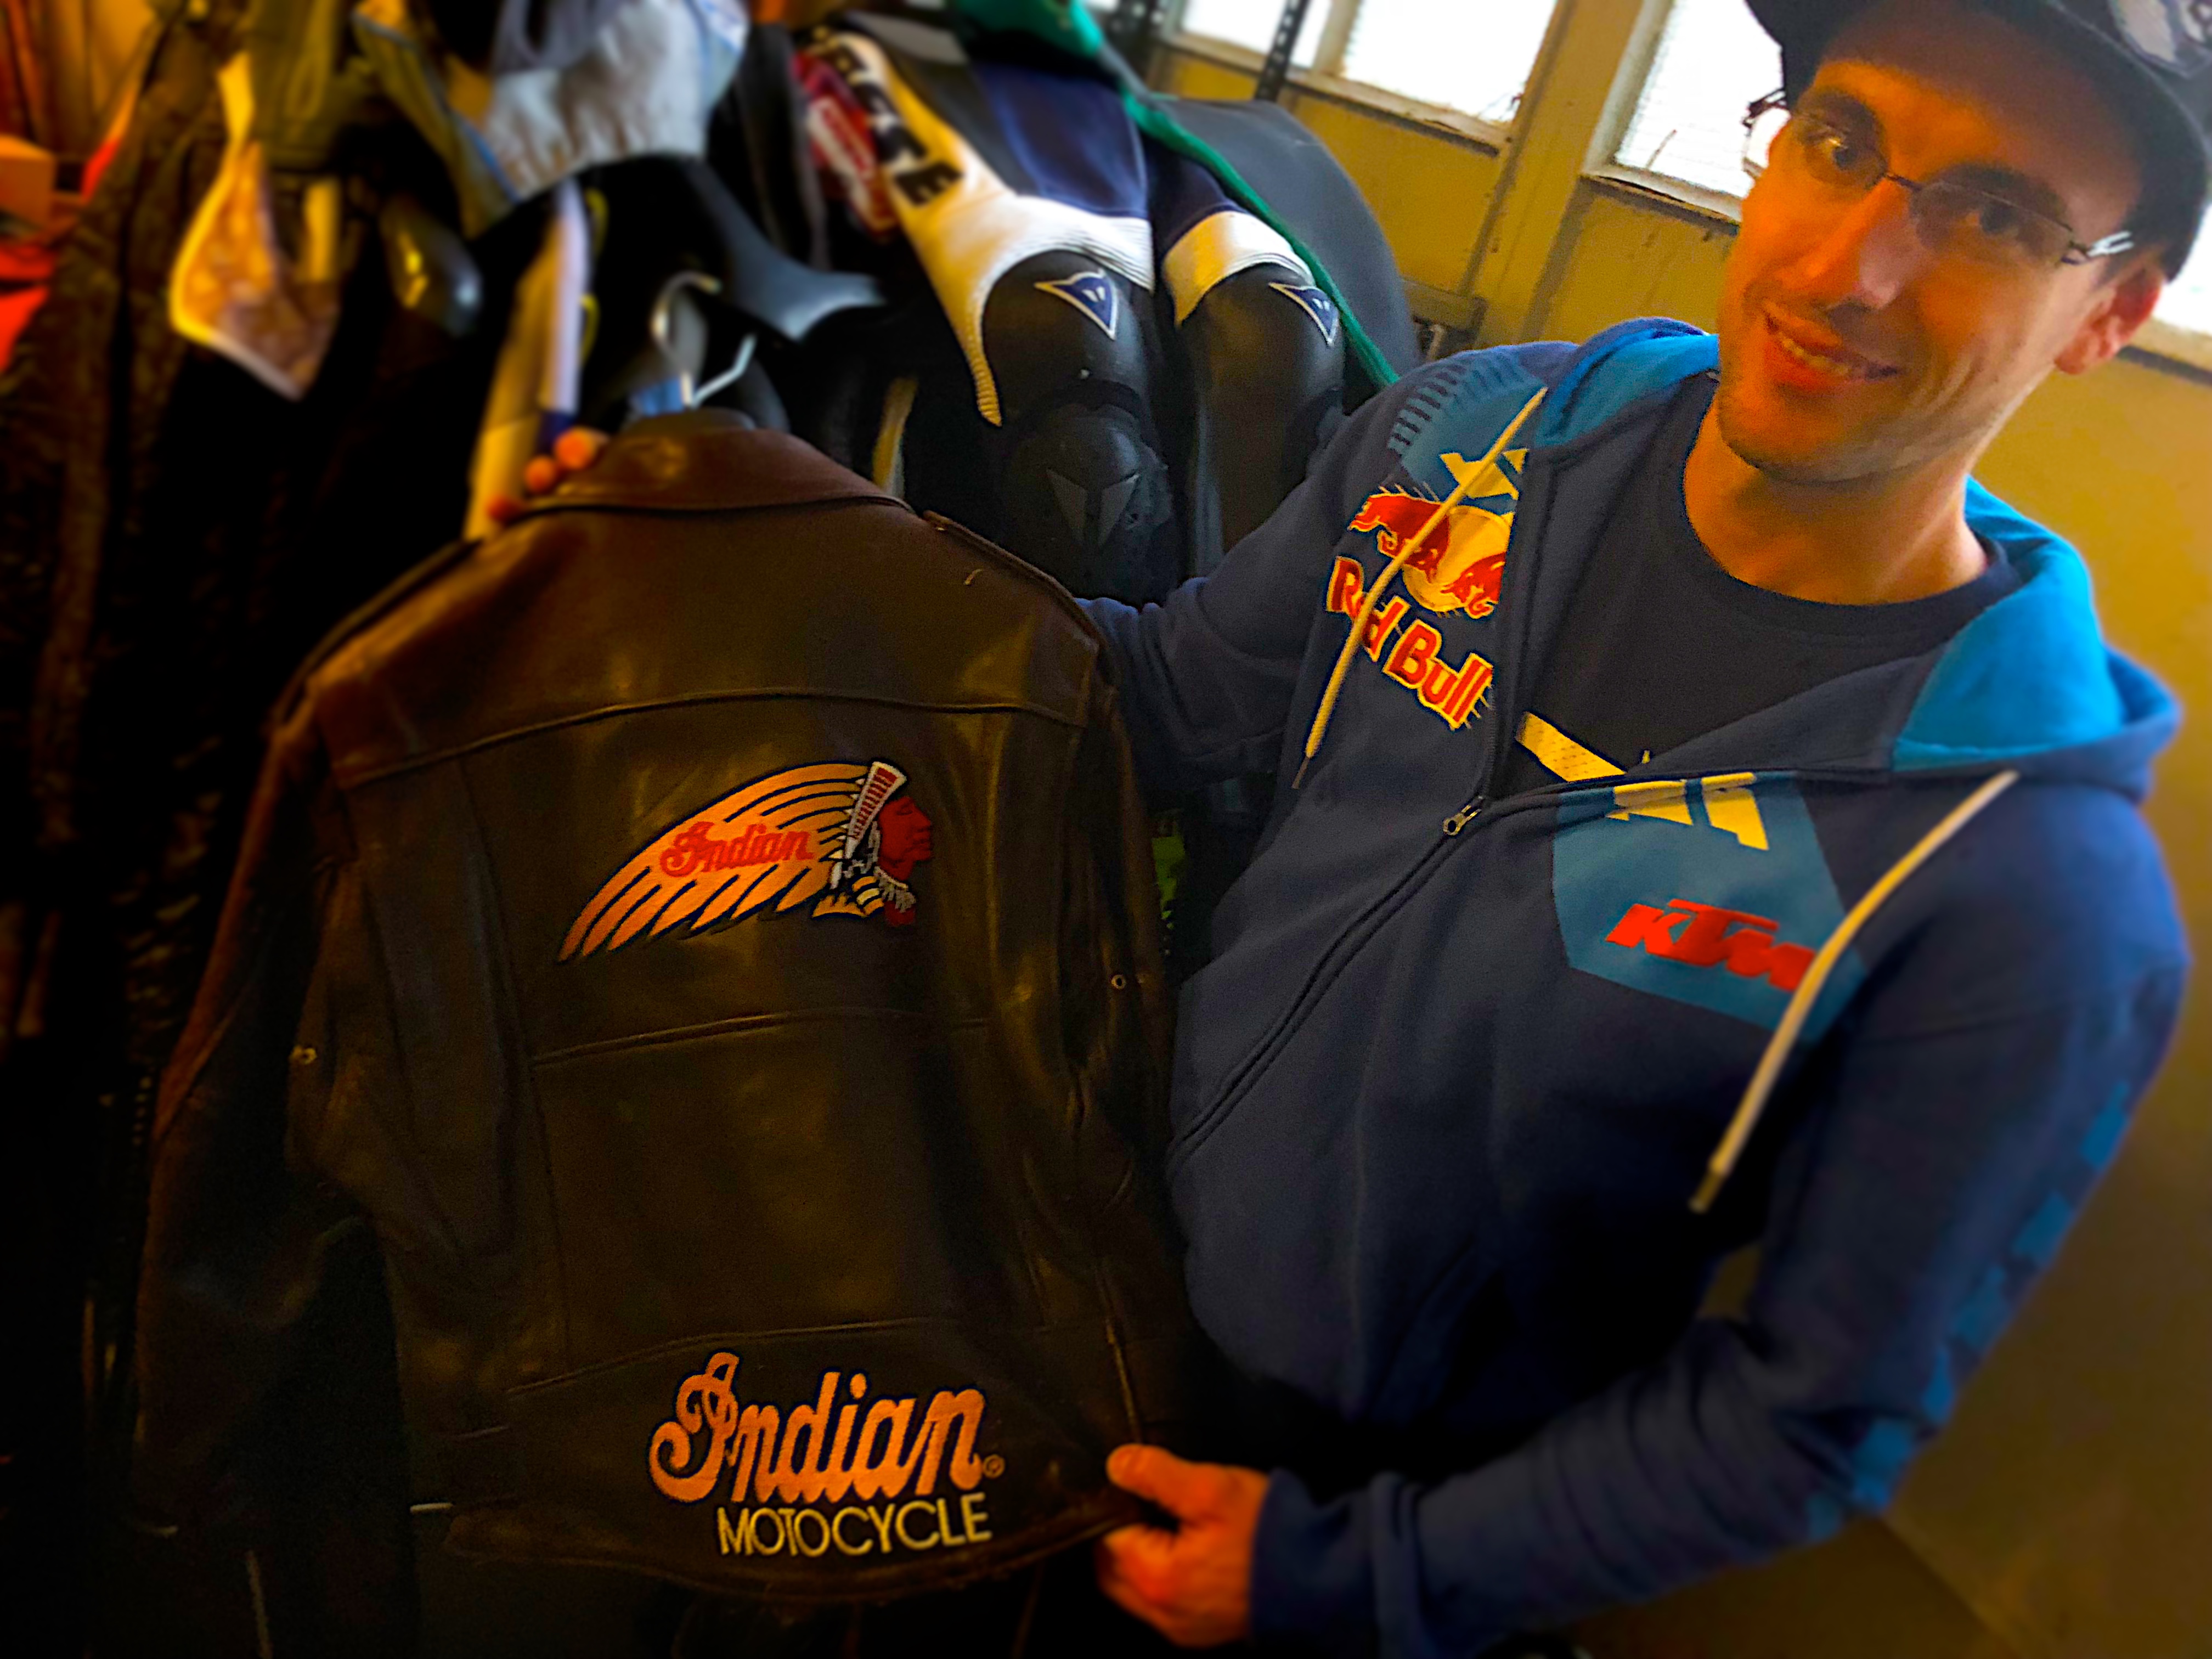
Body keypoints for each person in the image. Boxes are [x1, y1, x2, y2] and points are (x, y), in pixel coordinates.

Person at [508, 1, 2202, 1650]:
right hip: (1045, 1306)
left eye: (1994, 217)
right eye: (1838, 143)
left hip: (1315, 1529)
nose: (1851, 270)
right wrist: (730, 556)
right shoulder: (1475, 441)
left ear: (2110, 310)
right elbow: (1146, 694)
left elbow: (1810, 1414)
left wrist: (1359, 1575)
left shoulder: (2027, 886)